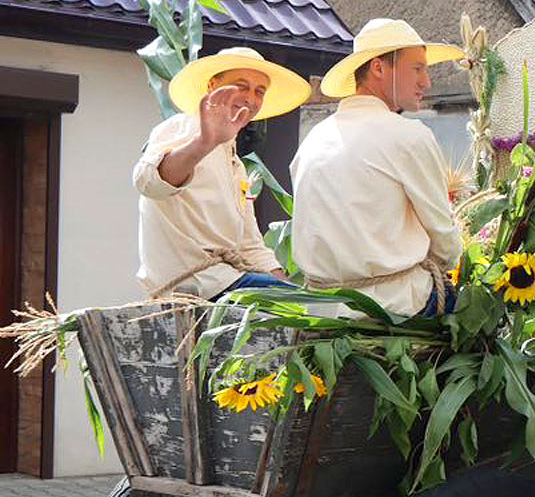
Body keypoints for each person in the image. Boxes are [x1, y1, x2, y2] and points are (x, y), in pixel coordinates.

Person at [292, 19, 466, 317]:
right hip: (395, 306)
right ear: (378, 68)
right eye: (417, 69)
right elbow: (444, 244)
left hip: (320, 309)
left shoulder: (313, 139)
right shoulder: (409, 136)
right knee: (485, 313)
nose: (427, 82)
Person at [132, 47, 311, 299]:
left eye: (259, 91)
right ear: (212, 85)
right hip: (197, 283)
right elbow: (148, 182)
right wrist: (204, 142)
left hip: (226, 279)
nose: (250, 97)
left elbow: (250, 245)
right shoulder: (184, 126)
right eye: (241, 86)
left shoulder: (235, 164)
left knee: (312, 305)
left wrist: (294, 291)